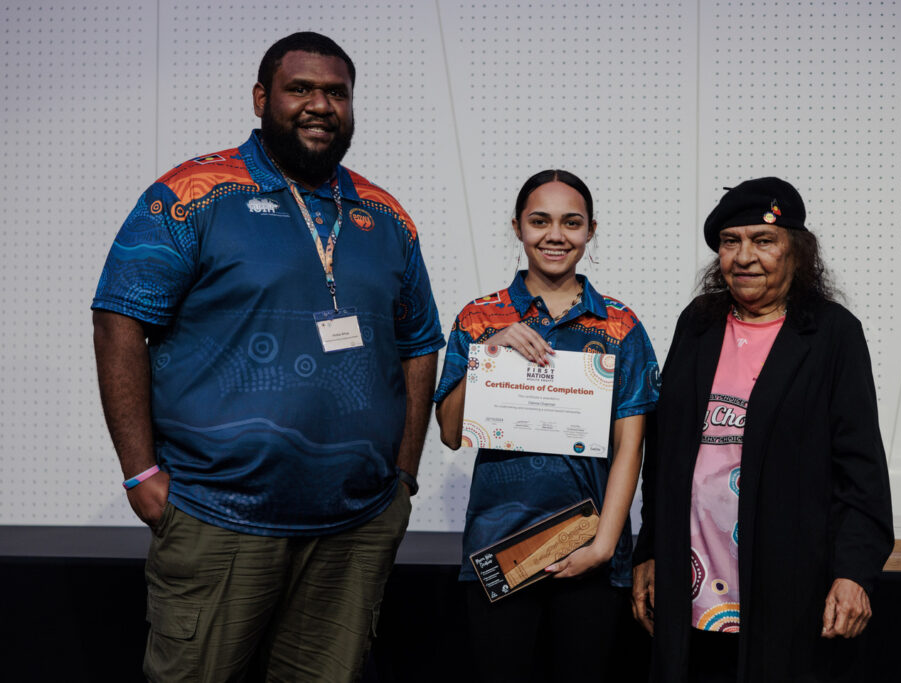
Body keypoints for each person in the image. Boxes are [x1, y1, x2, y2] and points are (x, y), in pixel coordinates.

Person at [91, 32, 444, 682]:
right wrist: (141, 474)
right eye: (300, 89)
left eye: (336, 93)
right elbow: (119, 318)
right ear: (261, 98)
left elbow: (420, 343)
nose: (320, 105)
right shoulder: (191, 194)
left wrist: (403, 477)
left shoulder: (385, 215)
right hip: (218, 516)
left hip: (354, 526)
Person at [631, 177, 894, 682]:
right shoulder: (698, 323)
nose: (744, 257)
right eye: (731, 242)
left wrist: (854, 572)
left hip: (788, 586)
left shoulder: (832, 334)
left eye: (763, 240)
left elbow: (861, 470)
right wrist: (650, 551)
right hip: (692, 584)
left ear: (797, 251)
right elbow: (662, 454)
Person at [434, 170, 660, 682]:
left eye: (571, 222)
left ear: (590, 230)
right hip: (500, 549)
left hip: (589, 547)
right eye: (540, 221)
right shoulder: (479, 318)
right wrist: (489, 353)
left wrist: (603, 547)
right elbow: (450, 432)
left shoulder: (620, 325)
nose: (555, 235)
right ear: (517, 227)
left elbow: (631, 447)